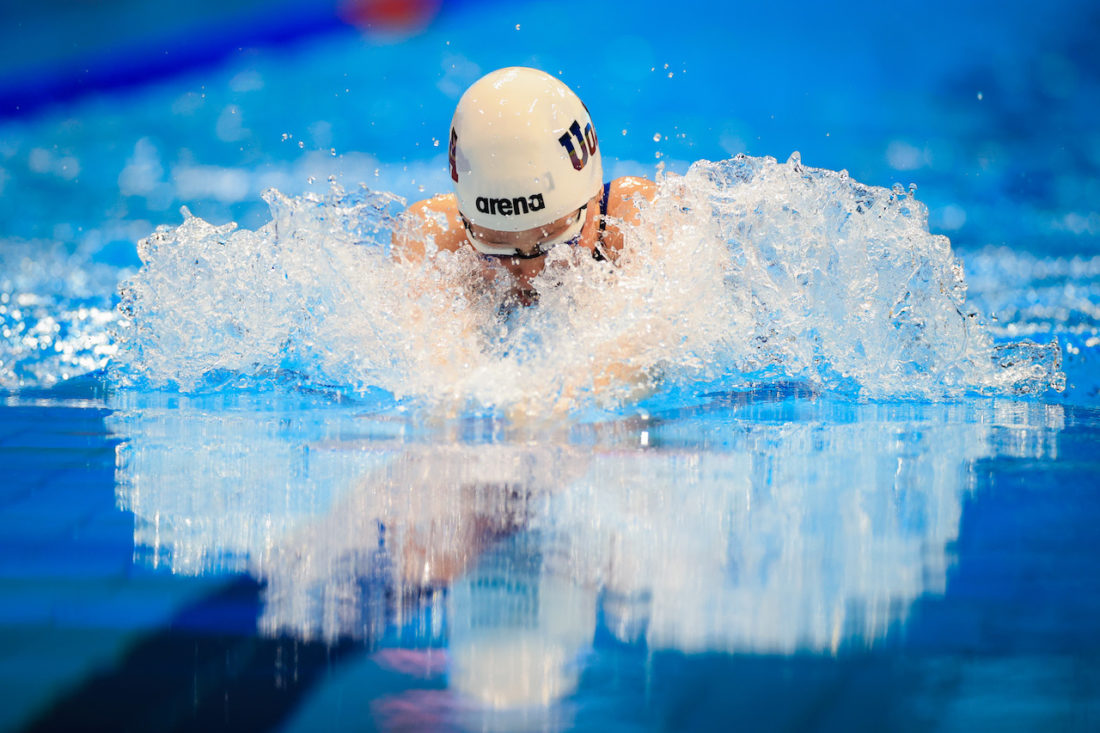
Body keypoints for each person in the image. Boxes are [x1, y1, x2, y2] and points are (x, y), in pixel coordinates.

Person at [393, 66, 656, 306]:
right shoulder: (434, 239)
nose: (532, 274)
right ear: (466, 221)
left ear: (595, 193)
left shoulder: (638, 220)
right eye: (495, 244)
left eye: (556, 239)